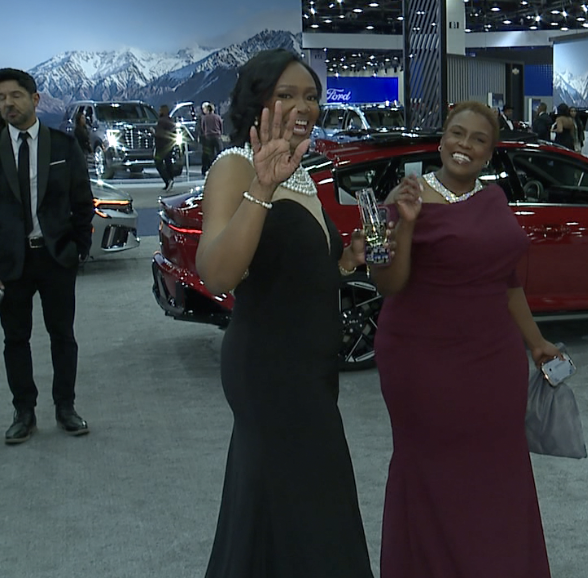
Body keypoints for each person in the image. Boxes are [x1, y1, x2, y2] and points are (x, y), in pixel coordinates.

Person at [195, 48, 373, 577]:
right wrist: (261, 187)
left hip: (311, 368)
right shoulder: (236, 166)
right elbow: (217, 275)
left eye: (311, 96)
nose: (303, 106)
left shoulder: (302, 172)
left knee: (281, 506)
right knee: (310, 507)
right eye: (286, 95)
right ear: (258, 102)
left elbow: (290, 271)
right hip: (270, 369)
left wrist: (343, 262)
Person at [372, 101, 559, 578]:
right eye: (457, 133)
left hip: (494, 362)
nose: (465, 145)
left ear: (490, 153)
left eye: (479, 139)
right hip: (423, 362)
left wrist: (536, 341)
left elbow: (507, 280)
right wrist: (406, 223)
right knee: (432, 472)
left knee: (498, 475)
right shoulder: (406, 196)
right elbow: (388, 284)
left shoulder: (492, 199)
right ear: (441, 141)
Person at [0, 68, 95, 444]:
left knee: (62, 336)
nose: (7, 104)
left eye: (14, 96)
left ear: (35, 99)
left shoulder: (62, 145)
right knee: (15, 340)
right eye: (1, 98)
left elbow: (82, 201)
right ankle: (24, 412)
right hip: (10, 263)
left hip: (55, 258)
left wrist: (78, 250)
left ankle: (65, 407)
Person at [154, 104, 176, 190]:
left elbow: (159, 133)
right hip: (169, 144)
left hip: (161, 145)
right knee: (168, 162)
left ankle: (167, 180)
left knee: (158, 162)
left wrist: (153, 132)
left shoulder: (161, 121)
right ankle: (170, 179)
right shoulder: (170, 120)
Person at [200, 102, 223, 176]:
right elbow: (221, 126)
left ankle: (212, 170)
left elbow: (203, 128)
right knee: (220, 153)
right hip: (217, 137)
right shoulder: (217, 117)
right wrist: (220, 133)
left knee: (210, 155)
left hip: (208, 137)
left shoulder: (204, 118)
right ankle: (221, 168)